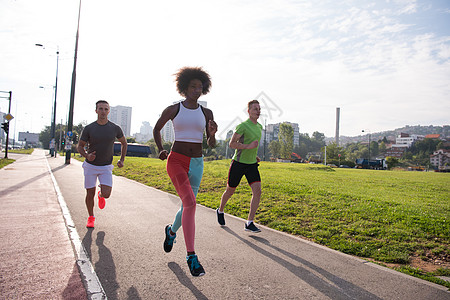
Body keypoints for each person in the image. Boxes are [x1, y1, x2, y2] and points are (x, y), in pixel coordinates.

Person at [153, 66, 217, 277]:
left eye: (200, 87)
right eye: (193, 86)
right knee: (190, 203)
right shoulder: (174, 109)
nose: (197, 90)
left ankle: (171, 232)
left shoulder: (207, 113)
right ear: (184, 88)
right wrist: (160, 148)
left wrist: (213, 134)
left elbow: (211, 143)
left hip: (197, 162)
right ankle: (192, 256)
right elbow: (156, 129)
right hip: (177, 162)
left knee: (187, 205)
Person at [77, 100, 127, 228]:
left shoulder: (115, 128)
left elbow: (124, 143)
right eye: (100, 109)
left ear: (109, 111)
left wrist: (122, 160)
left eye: (105, 109)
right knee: (89, 193)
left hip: (106, 167)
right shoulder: (89, 128)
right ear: (96, 111)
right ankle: (91, 217)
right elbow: (80, 146)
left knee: (107, 194)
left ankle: (101, 195)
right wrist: (87, 155)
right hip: (90, 166)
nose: (103, 112)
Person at [216, 100, 263, 232]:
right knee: (230, 191)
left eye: (259, 109)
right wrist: (248, 147)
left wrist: (254, 155)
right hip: (238, 163)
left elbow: (253, 146)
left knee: (257, 191)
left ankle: (249, 222)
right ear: (248, 111)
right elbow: (232, 144)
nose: (258, 111)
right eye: (255, 109)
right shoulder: (243, 126)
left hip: (252, 164)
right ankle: (220, 210)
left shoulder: (259, 127)